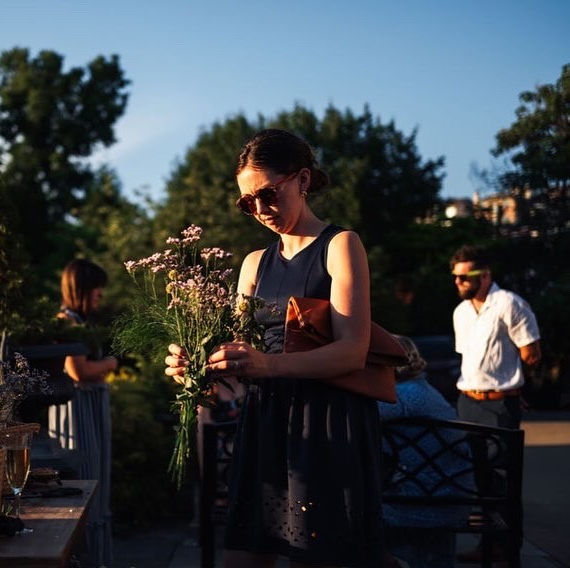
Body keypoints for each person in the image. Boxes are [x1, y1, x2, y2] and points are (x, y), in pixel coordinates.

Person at [165, 129, 383, 568]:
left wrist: (268, 364)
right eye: (248, 202)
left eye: (268, 194)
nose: (260, 210)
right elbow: (237, 374)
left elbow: (353, 352)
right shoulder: (252, 264)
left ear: (302, 180)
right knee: (243, 559)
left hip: (325, 426)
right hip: (265, 424)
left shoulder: (340, 245)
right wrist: (199, 373)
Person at [449, 244, 541, 563]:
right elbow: (471, 360)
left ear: (485, 275)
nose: (459, 282)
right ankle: (486, 545)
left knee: (503, 480)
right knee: (479, 480)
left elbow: (531, 353)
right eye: (455, 277)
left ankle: (508, 548)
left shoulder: (509, 303)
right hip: (467, 402)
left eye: (465, 277)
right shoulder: (461, 312)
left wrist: (515, 383)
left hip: (499, 405)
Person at [379, 335, 473, 568]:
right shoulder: (421, 389)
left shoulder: (399, 397)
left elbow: (355, 421)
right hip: (450, 496)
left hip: (425, 503)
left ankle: (382, 557)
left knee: (348, 510)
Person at [55, 259, 117, 567]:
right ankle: (85, 557)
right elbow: (78, 370)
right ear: (83, 287)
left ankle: (96, 557)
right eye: (97, 288)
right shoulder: (68, 322)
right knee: (87, 477)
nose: (100, 295)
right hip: (80, 412)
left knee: (96, 478)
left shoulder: (78, 321)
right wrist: (111, 365)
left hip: (90, 407)